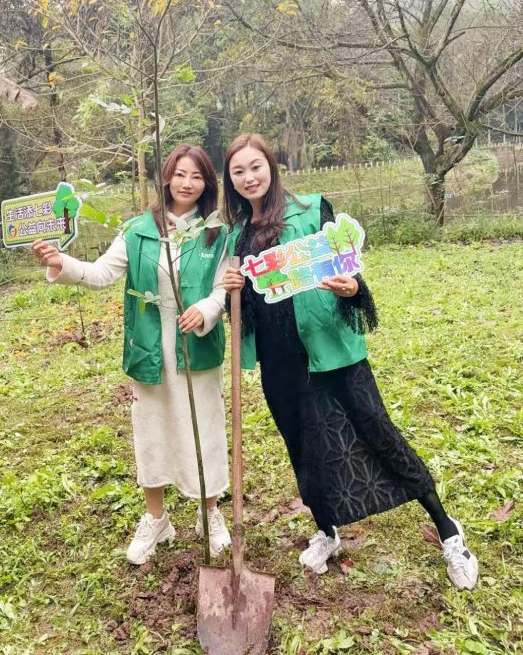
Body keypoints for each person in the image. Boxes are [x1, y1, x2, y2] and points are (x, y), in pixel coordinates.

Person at [221, 133, 478, 590]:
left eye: (255, 166)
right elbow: (248, 311)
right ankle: (327, 530)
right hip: (281, 364)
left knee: (378, 432)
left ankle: (448, 532)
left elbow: (348, 270)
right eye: (238, 171)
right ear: (230, 179)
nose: (249, 177)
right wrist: (232, 292)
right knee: (305, 449)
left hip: (332, 350)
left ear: (271, 167)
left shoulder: (312, 209)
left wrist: (353, 287)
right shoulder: (237, 236)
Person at [32, 145, 230, 565]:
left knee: (205, 429)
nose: (187, 183)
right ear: (166, 177)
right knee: (152, 430)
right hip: (149, 348)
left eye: (197, 176)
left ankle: (209, 512)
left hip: (196, 347)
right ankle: (156, 519)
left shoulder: (217, 232)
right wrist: (61, 261)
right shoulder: (138, 230)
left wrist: (207, 309)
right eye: (180, 174)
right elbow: (101, 273)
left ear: (207, 183)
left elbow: (223, 288)